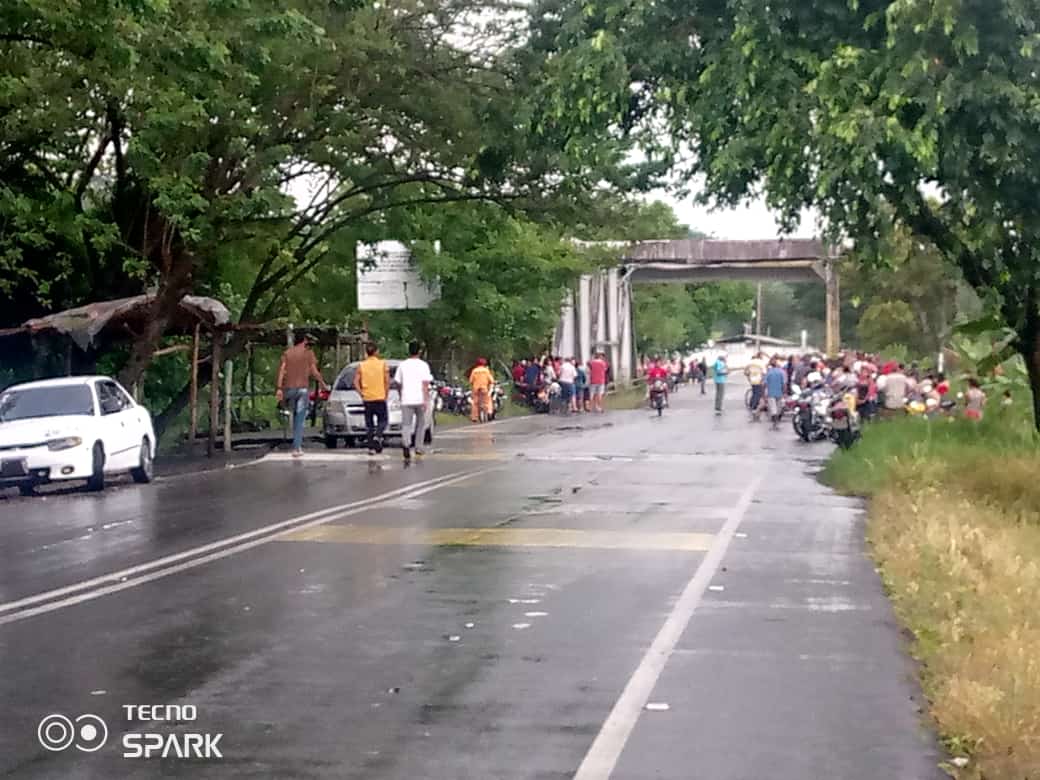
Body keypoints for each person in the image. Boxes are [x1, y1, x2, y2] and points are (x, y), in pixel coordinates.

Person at [276, 333, 328, 457]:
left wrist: (279, 388)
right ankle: (297, 448)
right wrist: (322, 384)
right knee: (299, 419)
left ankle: (295, 441)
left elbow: (282, 370)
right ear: (304, 341)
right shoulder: (308, 354)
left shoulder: (287, 353)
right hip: (302, 390)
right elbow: (314, 371)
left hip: (289, 389)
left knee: (293, 415)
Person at [394, 341, 433, 462]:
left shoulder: (403, 365)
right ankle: (418, 447)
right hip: (420, 398)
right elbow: (425, 384)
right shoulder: (423, 365)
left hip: (406, 398)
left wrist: (401, 394)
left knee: (406, 424)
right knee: (420, 424)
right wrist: (426, 399)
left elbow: (398, 382)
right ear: (419, 351)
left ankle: (406, 444)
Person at [354, 342, 390, 454]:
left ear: (366, 352)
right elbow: (387, 381)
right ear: (376, 352)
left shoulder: (361, 365)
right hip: (380, 396)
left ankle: (371, 448)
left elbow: (355, 382)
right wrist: (386, 394)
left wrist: (361, 393)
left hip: (367, 398)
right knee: (383, 420)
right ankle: (378, 436)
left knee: (369, 424)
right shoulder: (383, 364)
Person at [469, 358, 495, 422]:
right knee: (487, 400)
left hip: (476, 389)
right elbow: (491, 380)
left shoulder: (474, 371)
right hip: (484, 388)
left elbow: (471, 380)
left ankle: (474, 417)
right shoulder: (486, 370)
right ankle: (489, 412)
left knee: (475, 402)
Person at [744, 351, 767, 421]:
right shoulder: (761, 363)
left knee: (754, 393)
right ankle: (754, 408)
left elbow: (745, 372)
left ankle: (752, 405)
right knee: (758, 394)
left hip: (752, 380)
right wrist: (763, 379)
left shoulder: (750, 362)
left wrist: (749, 377)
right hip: (759, 380)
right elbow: (764, 372)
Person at [764, 359, 786, 429]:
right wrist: (784, 392)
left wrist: (764, 394)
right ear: (776, 364)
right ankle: (776, 424)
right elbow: (784, 383)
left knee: (773, 409)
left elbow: (764, 384)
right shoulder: (781, 372)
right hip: (779, 393)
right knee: (778, 408)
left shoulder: (769, 373)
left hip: (771, 393)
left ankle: (775, 424)